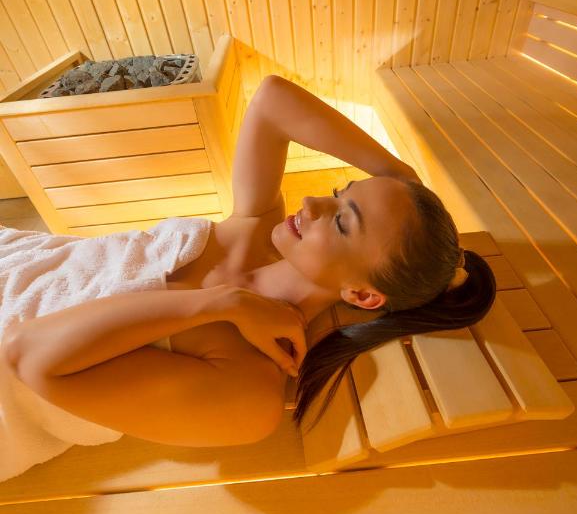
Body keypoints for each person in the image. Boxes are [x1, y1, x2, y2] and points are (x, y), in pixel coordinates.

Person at [1, 74, 496, 452]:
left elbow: (27, 356)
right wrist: (398, 175)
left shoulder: (248, 386)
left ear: (363, 295)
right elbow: (272, 99)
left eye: (343, 222)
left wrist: (223, 304)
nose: (311, 203)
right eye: (339, 192)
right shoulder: (255, 229)